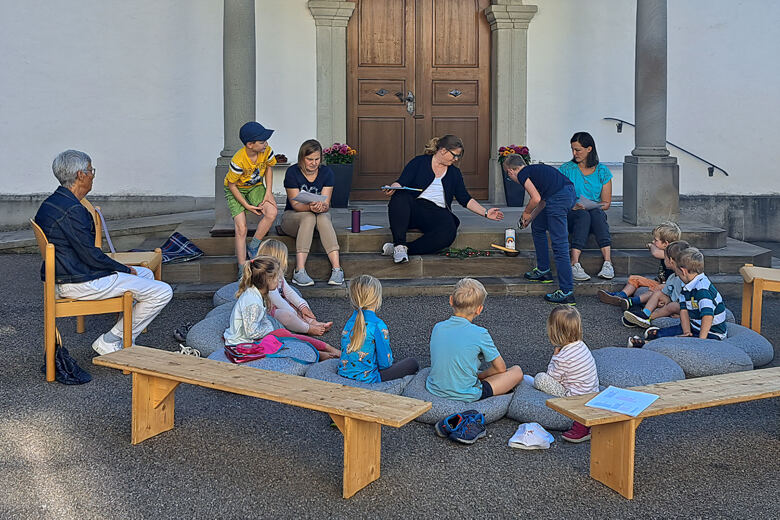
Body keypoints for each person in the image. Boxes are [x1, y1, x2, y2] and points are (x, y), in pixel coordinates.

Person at [34, 150, 173, 355]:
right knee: (163, 291)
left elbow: (86, 253)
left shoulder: (53, 202)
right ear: (81, 175)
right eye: (91, 170)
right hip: (78, 281)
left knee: (146, 274)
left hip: (68, 272)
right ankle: (112, 339)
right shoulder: (73, 210)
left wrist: (125, 270)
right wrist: (123, 269)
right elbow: (90, 255)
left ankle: (125, 337)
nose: (93, 175)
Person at [382, 135, 504, 264]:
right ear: (443, 150)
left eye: (458, 156)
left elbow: (465, 199)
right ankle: (399, 243)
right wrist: (392, 187)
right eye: (454, 155)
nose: (456, 159)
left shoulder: (454, 173)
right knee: (400, 196)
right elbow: (401, 183)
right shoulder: (419, 162)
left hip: (437, 212)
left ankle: (403, 249)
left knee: (449, 231)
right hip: (414, 209)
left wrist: (485, 212)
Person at [426, 278, 524, 401]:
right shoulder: (480, 333)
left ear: (451, 300)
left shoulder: (438, 327)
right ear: (479, 309)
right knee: (517, 371)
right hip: (466, 394)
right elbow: (500, 368)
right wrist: (481, 376)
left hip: (435, 389)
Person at [223, 256, 340, 359]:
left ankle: (325, 348)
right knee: (285, 338)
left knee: (285, 335)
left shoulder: (257, 293)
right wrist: (270, 327)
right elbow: (251, 333)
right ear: (267, 280)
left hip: (252, 337)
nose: (279, 281)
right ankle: (319, 353)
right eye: (276, 278)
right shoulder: (253, 302)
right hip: (243, 343)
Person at [503, 154, 578, 304]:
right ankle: (544, 270)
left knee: (560, 245)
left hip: (559, 199)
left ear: (511, 171)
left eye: (508, 175)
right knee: (538, 227)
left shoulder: (523, 173)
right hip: (566, 194)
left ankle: (566, 292)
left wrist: (526, 212)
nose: (510, 178)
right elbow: (542, 201)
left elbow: (535, 199)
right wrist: (530, 218)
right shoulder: (536, 172)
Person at [629, 247, 729, 347]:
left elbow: (707, 316)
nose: (676, 274)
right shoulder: (686, 285)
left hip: (711, 333)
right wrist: (686, 332)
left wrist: (701, 341)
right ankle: (658, 337)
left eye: (676, 271)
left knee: (677, 342)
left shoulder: (702, 290)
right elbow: (683, 309)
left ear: (683, 271)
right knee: (667, 333)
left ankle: (646, 344)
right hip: (694, 326)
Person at [530, 306, 599, 443]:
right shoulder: (581, 345)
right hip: (591, 392)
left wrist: (554, 357)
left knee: (540, 379)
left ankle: (582, 425)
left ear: (553, 331)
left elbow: (551, 378)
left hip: (574, 397)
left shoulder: (562, 357)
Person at [280, 139, 344, 286]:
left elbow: (326, 203)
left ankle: (337, 269)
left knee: (322, 217)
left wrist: (322, 207)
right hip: (293, 218)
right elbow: (295, 204)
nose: (314, 163)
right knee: (309, 217)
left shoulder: (326, 172)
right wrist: (310, 207)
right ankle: (299, 270)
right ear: (302, 158)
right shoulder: (292, 172)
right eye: (309, 159)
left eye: (317, 159)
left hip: (318, 216)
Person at [338, 274, 419, 383]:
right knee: (412, 363)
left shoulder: (349, 322)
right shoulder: (377, 325)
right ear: (376, 299)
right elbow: (385, 364)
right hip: (369, 379)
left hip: (343, 374)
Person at [559, 132, 614, 281]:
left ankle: (608, 262)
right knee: (583, 215)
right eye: (572, 149)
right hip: (573, 214)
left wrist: (593, 206)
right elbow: (558, 196)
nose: (574, 153)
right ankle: (574, 262)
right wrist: (572, 205)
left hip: (594, 213)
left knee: (596, 213)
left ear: (589, 149)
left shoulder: (602, 171)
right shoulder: (566, 169)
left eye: (578, 150)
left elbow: (606, 203)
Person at [224, 121, 278, 271]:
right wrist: (246, 205)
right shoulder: (238, 160)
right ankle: (242, 268)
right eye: (262, 142)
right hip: (236, 189)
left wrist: (268, 192)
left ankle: (253, 246)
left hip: (256, 187)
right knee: (241, 228)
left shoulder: (266, 151)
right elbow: (231, 185)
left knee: (272, 212)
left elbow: (268, 168)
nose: (266, 144)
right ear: (250, 144)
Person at [598, 221, 682, 311]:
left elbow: (655, 253)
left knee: (654, 290)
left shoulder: (672, 254)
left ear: (666, 244)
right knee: (635, 279)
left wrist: (651, 245)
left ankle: (632, 301)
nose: (653, 242)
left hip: (668, 287)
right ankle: (621, 296)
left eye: (656, 240)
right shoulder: (666, 250)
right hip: (660, 282)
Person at [256, 239, 333, 336]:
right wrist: (295, 315)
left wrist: (303, 307)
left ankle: (314, 323)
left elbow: (289, 293)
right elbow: (278, 301)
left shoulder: (278, 275)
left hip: (283, 305)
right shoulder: (265, 279)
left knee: (298, 304)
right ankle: (307, 328)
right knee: (286, 315)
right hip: (269, 311)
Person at [622, 240, 689, 328]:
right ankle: (645, 314)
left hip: (684, 307)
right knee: (658, 293)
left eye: (665, 258)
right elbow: (666, 292)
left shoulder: (685, 279)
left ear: (671, 261)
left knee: (671, 307)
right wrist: (663, 300)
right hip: (673, 301)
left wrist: (680, 313)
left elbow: (688, 299)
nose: (664, 260)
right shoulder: (673, 276)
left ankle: (648, 318)